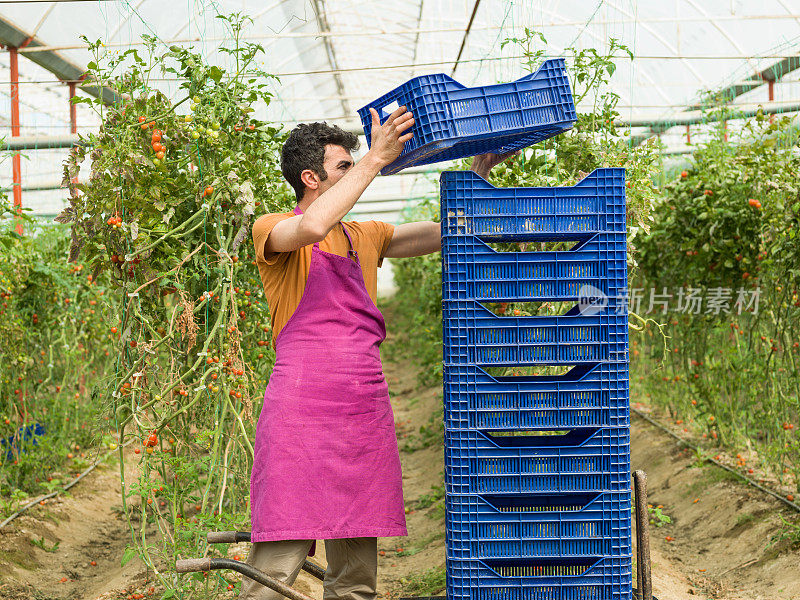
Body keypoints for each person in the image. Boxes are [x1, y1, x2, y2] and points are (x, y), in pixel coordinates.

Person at [242, 106, 510, 600]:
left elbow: (449, 230)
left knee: (357, 573)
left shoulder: (365, 236)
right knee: (276, 564)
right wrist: (375, 158)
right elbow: (312, 228)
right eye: (344, 166)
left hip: (362, 408)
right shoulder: (274, 229)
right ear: (311, 177)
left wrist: (480, 171)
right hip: (301, 410)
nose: (358, 172)